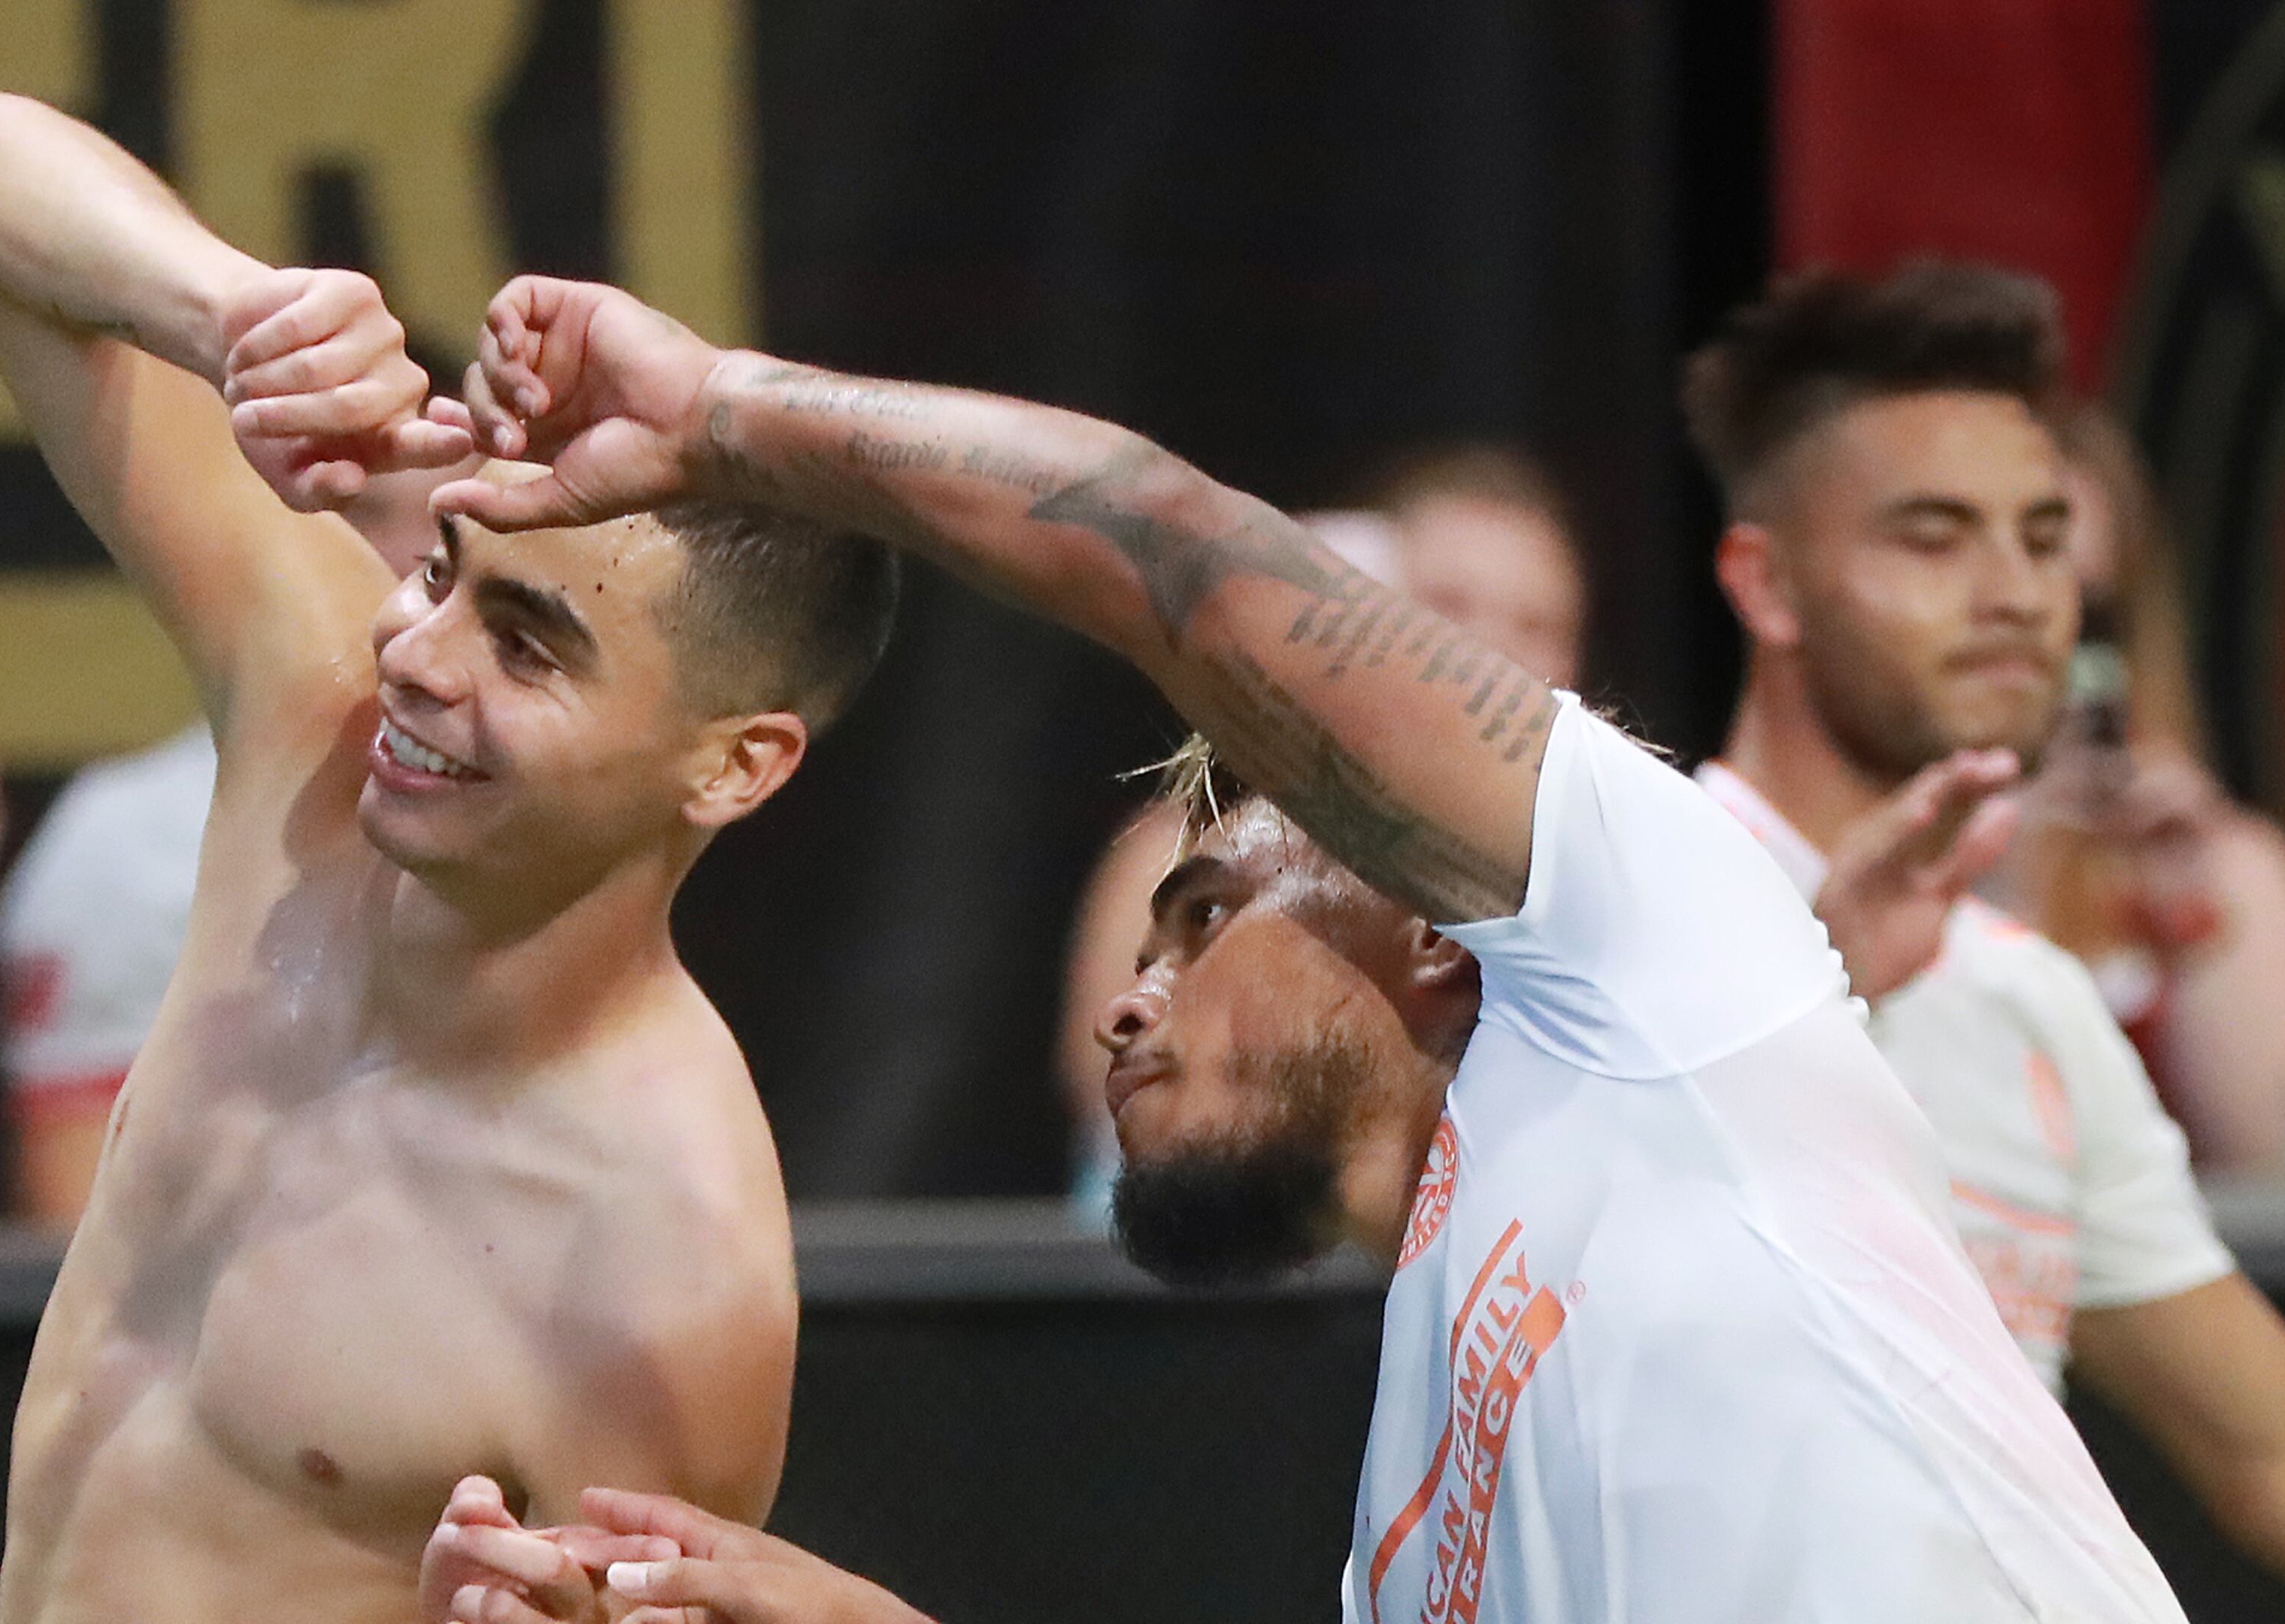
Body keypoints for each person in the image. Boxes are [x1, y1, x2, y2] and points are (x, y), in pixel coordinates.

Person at [377, 274, 2185, 1622]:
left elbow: (1162, 549)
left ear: (1414, 913)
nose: (1131, 998)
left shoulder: (1645, 969)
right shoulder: (1407, 1519)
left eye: (1207, 906)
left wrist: (724, 415)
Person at [0, 92, 899, 1622]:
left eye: (527, 644)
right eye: (443, 566)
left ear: (735, 765)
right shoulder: (304, 737)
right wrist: (233, 312)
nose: (416, 653)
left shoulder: (660, 1263)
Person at [1691, 262, 2285, 1615]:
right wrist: (1802, 996)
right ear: (1765, 584)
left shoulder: (2030, 1004)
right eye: (1934, 537)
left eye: (2045, 536)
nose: (2014, 592)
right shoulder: (1602, 909)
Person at [1055, 450, 1587, 1215]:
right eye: (1451, 604)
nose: (1493, 651)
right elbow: (1111, 1087)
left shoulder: (1597, 889)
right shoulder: (1191, 850)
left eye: (1538, 623)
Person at [0, 468, 446, 1225]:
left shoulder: (553, 804)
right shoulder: (125, 841)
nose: (416, 560)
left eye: (452, 522)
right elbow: (73, 1253)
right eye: (363, 516)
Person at [1981, 406, 2285, 1171]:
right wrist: (1991, 880)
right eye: (2016, 615)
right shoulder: (1827, 857)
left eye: (2089, 620)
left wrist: (2198, 921)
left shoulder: (2217, 863)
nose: (2056, 664)